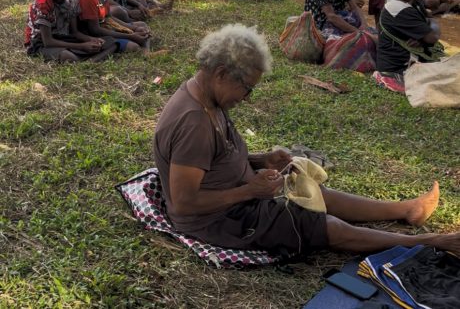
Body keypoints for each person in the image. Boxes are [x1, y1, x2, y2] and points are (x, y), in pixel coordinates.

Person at [153, 23, 460, 256]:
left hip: (237, 198)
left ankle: (404, 209)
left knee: (312, 189)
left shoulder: (210, 97)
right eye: (246, 89)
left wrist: (261, 160)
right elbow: (185, 202)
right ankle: (430, 242)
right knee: (319, 224)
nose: (246, 98)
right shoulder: (193, 123)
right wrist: (249, 190)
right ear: (221, 74)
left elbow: (213, 160)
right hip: (222, 220)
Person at [24, 0, 118, 63]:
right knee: (66, 55)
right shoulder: (44, 2)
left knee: (112, 42)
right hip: (41, 43)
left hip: (66, 39)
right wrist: (82, 47)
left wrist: (92, 39)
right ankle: (88, 61)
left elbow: (74, 32)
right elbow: (48, 42)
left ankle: (87, 61)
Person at [376, 0, 447, 75]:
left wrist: (424, 37)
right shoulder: (397, 8)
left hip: (413, 61)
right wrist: (431, 23)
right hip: (399, 68)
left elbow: (429, 30)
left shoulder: (412, 2)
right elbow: (433, 37)